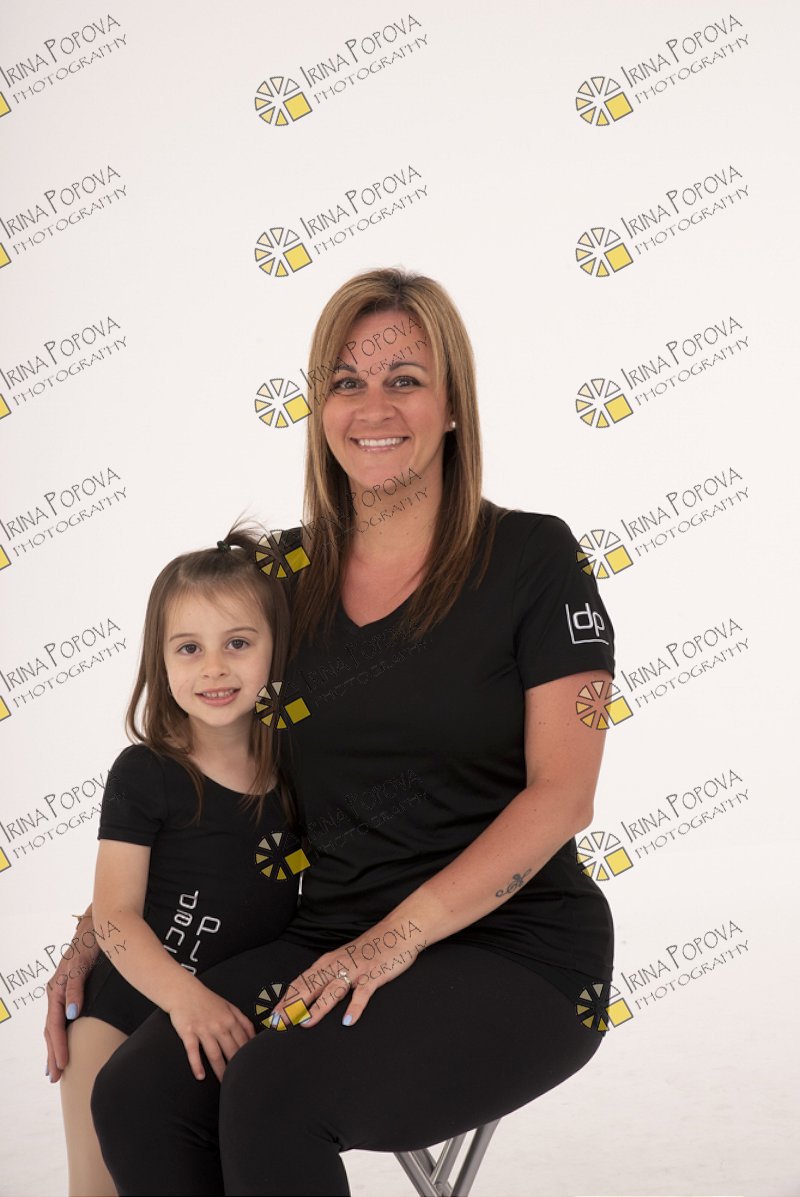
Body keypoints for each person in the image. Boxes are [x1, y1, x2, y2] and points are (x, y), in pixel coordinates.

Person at [47, 268, 618, 1197]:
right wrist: (101, 923)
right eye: (347, 382)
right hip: (326, 936)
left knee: (275, 1091)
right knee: (141, 1094)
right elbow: (207, 759)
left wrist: (391, 942)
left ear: (453, 406)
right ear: (320, 408)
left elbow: (564, 795)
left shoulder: (535, 559)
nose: (373, 406)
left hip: (516, 951)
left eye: (405, 378)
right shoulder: (283, 574)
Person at [51, 525, 305, 1196]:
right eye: (189, 648)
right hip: (123, 1010)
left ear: (277, 648)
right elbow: (115, 914)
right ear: (159, 660)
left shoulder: (299, 772)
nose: (213, 668)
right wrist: (188, 1001)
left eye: (238, 643)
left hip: (232, 1013)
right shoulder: (145, 773)